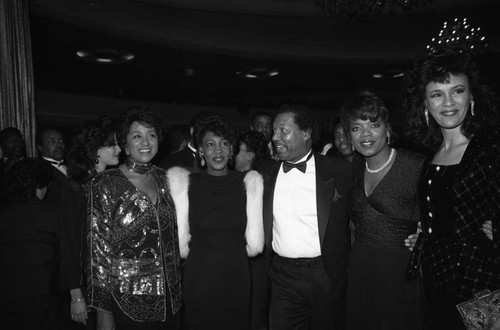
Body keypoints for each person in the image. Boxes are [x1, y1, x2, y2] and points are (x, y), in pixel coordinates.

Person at [404, 51, 500, 329]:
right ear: (424, 104)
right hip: (437, 279)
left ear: (471, 98)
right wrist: (425, 232)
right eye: (436, 94)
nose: (448, 102)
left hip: (480, 281)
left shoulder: (489, 146)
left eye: (457, 91)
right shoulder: (429, 155)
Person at [86, 105, 182, 329]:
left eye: (151, 135)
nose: (146, 142)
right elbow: (97, 252)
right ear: (124, 143)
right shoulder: (105, 184)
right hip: (125, 300)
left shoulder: (168, 179)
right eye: (137, 136)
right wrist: (102, 310)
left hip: (171, 299)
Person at [169, 115, 264, 330]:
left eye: (224, 144)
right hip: (199, 279)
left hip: (237, 276)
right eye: (210, 145)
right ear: (201, 151)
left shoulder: (248, 184)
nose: (218, 151)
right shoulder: (187, 185)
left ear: (232, 150)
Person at [340, 91, 424, 330]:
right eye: (356, 128)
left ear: (387, 129)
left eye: (374, 125)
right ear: (350, 136)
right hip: (361, 266)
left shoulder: (415, 164)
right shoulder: (353, 168)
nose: (366, 134)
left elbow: (444, 212)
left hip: (400, 269)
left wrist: (427, 235)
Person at [263, 104, 351, 329]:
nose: (275, 137)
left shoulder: (338, 171)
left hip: (325, 274)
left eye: (283, 130)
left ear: (306, 133)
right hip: (282, 275)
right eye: (274, 131)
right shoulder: (264, 174)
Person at [59, 117, 121, 328]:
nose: (118, 149)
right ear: (94, 150)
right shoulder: (77, 187)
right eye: (111, 144)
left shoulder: (112, 182)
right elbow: (69, 242)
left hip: (114, 280)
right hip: (88, 284)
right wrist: (76, 295)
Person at [0, 158, 58, 330]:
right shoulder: (52, 213)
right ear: (40, 186)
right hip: (42, 296)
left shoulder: (4, 212)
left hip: (6, 296)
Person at [36, 127, 68, 205]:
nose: (59, 145)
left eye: (61, 141)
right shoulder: (38, 169)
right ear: (40, 147)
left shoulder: (73, 166)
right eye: (52, 142)